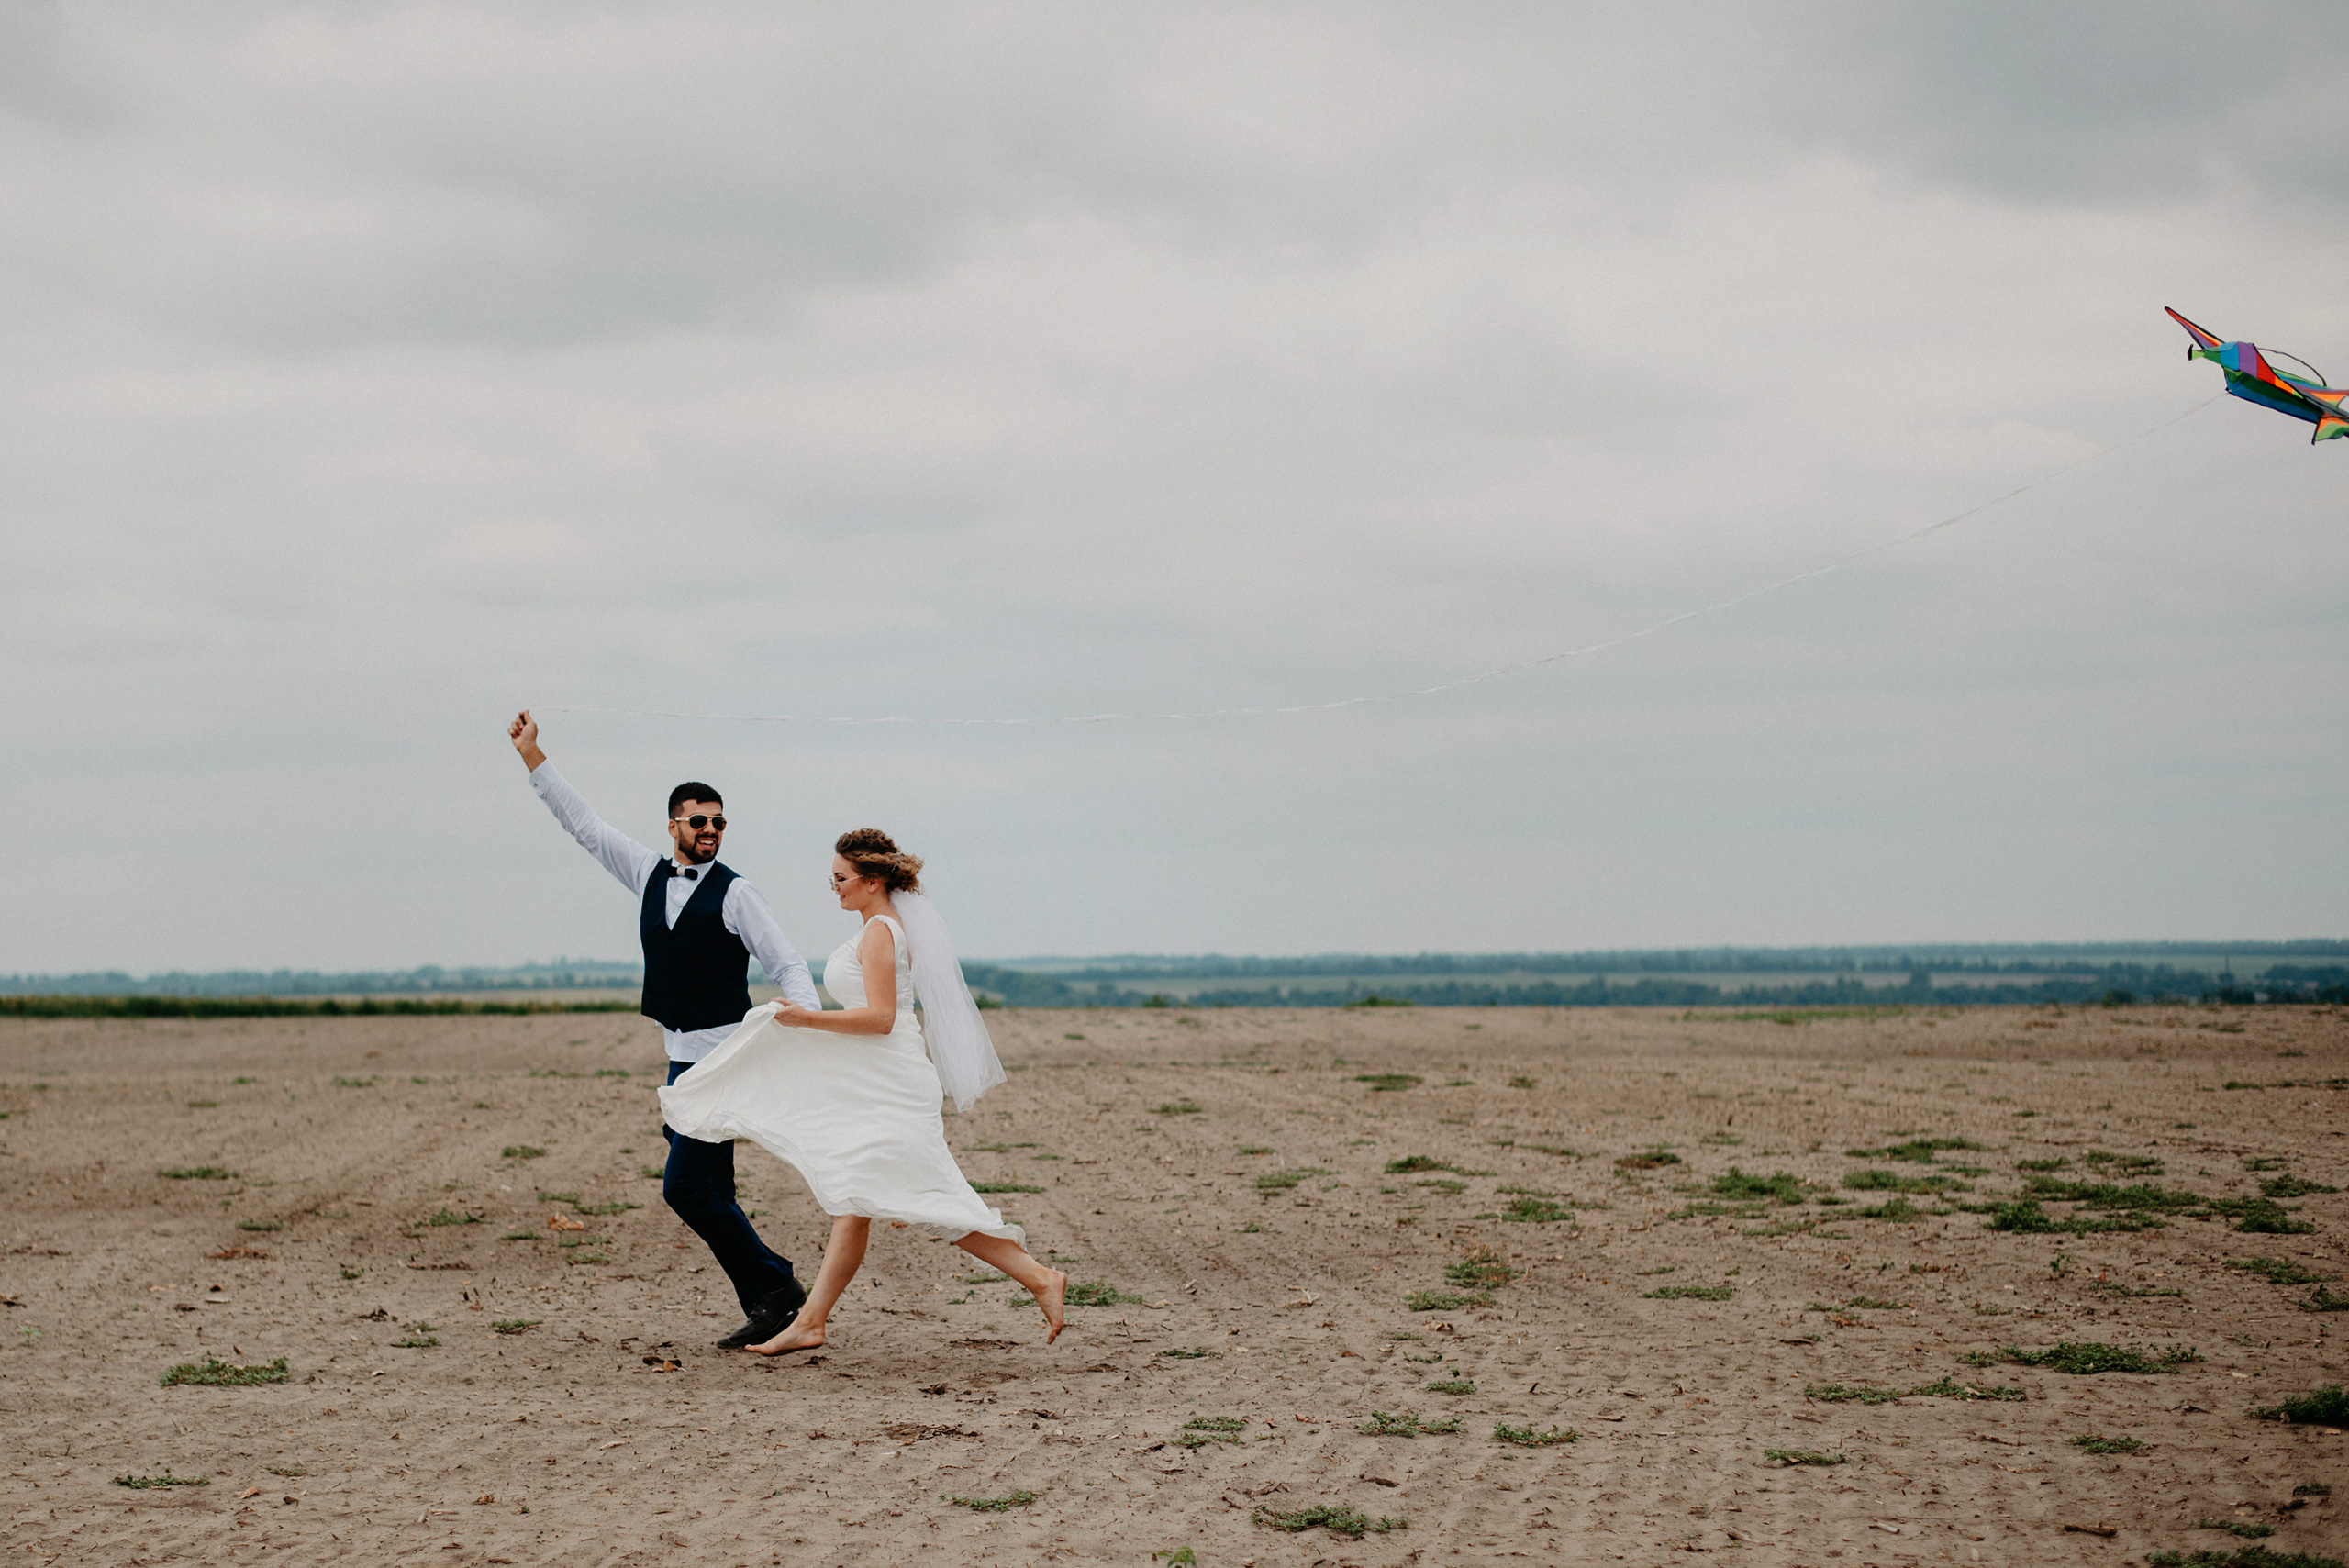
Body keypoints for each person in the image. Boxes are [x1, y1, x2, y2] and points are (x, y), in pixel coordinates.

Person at [659, 829, 1067, 1352]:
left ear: (872, 882)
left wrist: (808, 1019)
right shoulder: (881, 926)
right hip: (879, 1083)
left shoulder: (879, 931)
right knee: (857, 1200)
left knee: (930, 1199)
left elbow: (880, 1018)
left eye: (841, 879)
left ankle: (1039, 1278)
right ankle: (811, 1322)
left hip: (893, 1088)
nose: (834, 888)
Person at [506, 709, 819, 1351]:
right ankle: (769, 1302)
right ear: (674, 824)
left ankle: (780, 1285)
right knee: (716, 1189)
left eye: (719, 821)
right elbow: (585, 827)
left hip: (726, 1059)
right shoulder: (647, 870)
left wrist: (806, 1022)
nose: (711, 830)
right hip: (681, 1058)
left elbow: (787, 962)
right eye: (699, 820)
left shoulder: (738, 893)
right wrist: (534, 758)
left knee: (683, 1189)